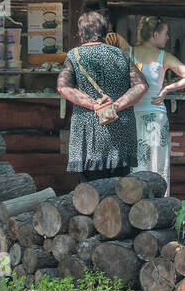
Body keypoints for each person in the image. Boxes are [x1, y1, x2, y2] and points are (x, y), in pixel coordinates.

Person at [105, 16, 185, 194]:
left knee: (136, 163)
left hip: (133, 115)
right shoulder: (164, 57)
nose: (167, 38)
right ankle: (160, 202)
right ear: (155, 34)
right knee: (157, 162)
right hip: (156, 115)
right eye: (165, 34)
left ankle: (134, 204)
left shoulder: (128, 52)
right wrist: (166, 89)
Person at [57, 10, 147, 182]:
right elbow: (141, 86)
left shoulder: (74, 56)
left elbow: (63, 87)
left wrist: (94, 105)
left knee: (91, 189)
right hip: (121, 129)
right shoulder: (121, 54)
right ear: (105, 32)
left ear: (81, 33)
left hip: (88, 133)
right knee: (122, 190)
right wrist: (116, 106)